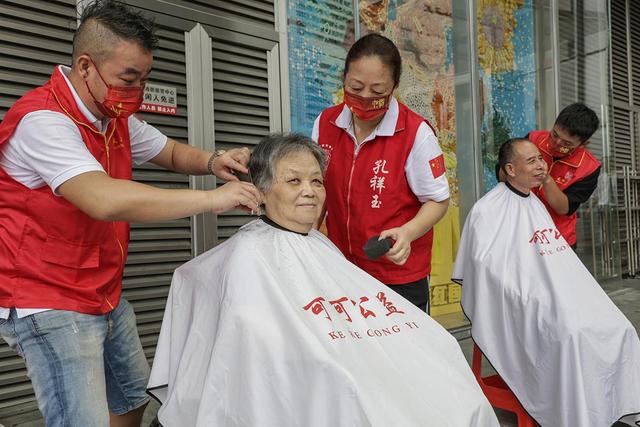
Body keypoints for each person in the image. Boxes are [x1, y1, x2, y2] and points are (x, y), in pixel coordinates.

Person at [0, 1, 261, 426]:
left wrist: (214, 161)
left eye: (144, 78)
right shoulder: (43, 121)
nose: (137, 90)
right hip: (48, 298)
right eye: (129, 78)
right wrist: (213, 199)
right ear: (86, 67)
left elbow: (171, 151)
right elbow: (102, 199)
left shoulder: (112, 116)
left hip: (101, 289)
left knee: (132, 396)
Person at [147, 133, 499, 427]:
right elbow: (258, 347)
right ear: (262, 190)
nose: (310, 191)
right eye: (294, 180)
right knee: (358, 392)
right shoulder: (245, 259)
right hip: (330, 375)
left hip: (362, 357)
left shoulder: (321, 247)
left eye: (316, 181)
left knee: (442, 354)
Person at [453, 138, 640, 427]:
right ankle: (574, 412)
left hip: (559, 294)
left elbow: (556, 262)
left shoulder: (536, 205)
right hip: (527, 299)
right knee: (571, 333)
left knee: (619, 328)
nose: (541, 165)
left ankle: (606, 405)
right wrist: (532, 296)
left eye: (540, 159)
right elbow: (487, 270)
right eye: (532, 161)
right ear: (510, 169)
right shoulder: (487, 211)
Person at [312, 34, 450, 313]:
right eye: (356, 87)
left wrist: (408, 232)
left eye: (377, 91)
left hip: (397, 276)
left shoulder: (415, 133)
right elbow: (318, 188)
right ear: (344, 79)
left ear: (395, 87)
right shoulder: (326, 123)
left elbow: (438, 200)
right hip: (341, 268)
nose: (365, 98)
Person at [501, 103, 601, 248]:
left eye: (566, 144)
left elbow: (564, 208)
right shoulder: (533, 139)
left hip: (558, 238)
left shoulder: (589, 167)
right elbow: (504, 174)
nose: (556, 144)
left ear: (583, 144)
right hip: (519, 230)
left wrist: (546, 179)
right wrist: (511, 169)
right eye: (554, 135)